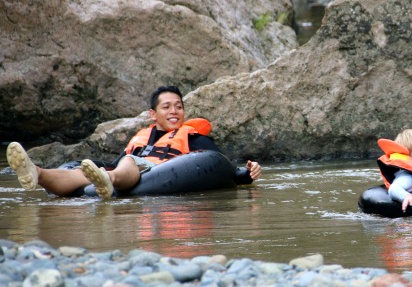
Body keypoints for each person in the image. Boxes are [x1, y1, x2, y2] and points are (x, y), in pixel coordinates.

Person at [7, 85, 262, 199]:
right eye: (167, 107)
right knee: (91, 172)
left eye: (179, 107)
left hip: (164, 172)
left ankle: (110, 182)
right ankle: (37, 173)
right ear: (153, 114)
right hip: (126, 174)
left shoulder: (195, 138)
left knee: (128, 162)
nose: (174, 112)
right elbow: (117, 163)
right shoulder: (141, 137)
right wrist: (106, 171)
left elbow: (219, 167)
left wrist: (246, 174)